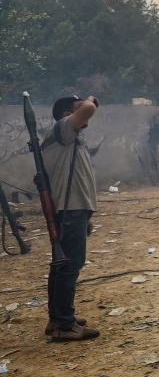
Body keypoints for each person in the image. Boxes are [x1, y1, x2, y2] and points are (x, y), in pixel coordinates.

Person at [42, 95, 101, 341]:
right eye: (76, 109)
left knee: (62, 266)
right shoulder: (63, 128)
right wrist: (86, 100)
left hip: (75, 209)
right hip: (69, 210)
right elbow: (90, 106)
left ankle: (57, 317)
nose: (85, 111)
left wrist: (87, 214)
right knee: (69, 267)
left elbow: (78, 180)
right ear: (67, 115)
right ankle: (65, 326)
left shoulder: (70, 137)